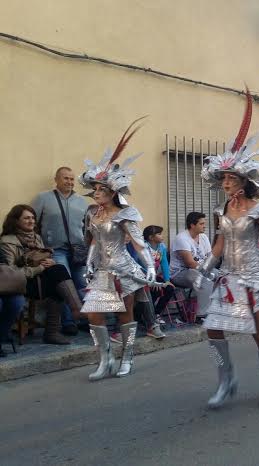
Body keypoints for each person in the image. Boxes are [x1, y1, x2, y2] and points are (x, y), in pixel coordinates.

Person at [200, 88, 259, 410]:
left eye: (229, 177)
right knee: (212, 329)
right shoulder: (222, 210)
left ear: (243, 180)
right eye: (222, 177)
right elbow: (220, 243)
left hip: (254, 277)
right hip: (228, 278)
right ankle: (226, 380)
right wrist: (204, 269)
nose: (224, 183)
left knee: (258, 332)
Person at [79, 117, 161, 381]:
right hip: (102, 271)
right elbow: (93, 241)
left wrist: (149, 266)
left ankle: (127, 356)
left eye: (101, 189)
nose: (96, 193)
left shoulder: (126, 214)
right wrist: (88, 263)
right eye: (95, 189)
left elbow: (138, 242)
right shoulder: (94, 214)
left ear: (113, 191)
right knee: (94, 314)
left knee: (125, 313)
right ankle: (105, 360)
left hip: (123, 269)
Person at [0, 205, 83, 345]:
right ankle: (71, 315)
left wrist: (49, 261)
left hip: (36, 280)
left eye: (33, 218)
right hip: (19, 283)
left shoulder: (36, 237)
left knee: (57, 272)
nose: (31, 221)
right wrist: (39, 268)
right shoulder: (7, 242)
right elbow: (11, 274)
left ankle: (63, 322)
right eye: (26, 218)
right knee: (57, 278)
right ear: (16, 221)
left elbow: (41, 258)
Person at [32, 166, 89, 335]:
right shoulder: (43, 198)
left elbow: (87, 226)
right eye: (66, 178)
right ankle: (68, 322)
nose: (70, 182)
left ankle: (85, 319)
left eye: (72, 179)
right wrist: (41, 245)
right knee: (65, 284)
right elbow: (32, 222)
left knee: (82, 285)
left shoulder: (82, 201)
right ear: (56, 180)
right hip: (55, 249)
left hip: (78, 250)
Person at [169, 212, 213, 321]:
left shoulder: (203, 237)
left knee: (221, 277)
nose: (204, 226)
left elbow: (209, 257)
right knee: (203, 279)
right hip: (179, 273)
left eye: (204, 223)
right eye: (201, 224)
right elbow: (190, 263)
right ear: (192, 225)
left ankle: (217, 311)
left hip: (199, 269)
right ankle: (201, 315)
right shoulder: (182, 238)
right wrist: (207, 272)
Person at [143, 225, 175, 321]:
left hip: (154, 276)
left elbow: (164, 263)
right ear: (151, 237)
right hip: (143, 276)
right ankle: (147, 317)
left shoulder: (161, 247)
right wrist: (152, 281)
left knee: (169, 289)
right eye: (159, 234)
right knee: (155, 290)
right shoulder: (143, 247)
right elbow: (142, 265)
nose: (162, 236)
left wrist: (167, 280)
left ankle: (156, 313)